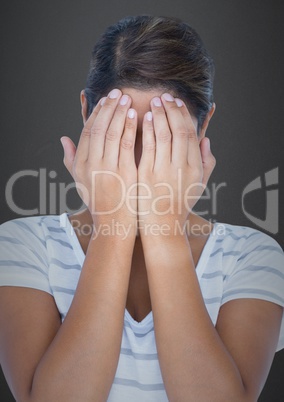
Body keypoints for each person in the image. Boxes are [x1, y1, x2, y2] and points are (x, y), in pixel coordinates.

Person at [0, 15, 283, 402]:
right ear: (87, 116)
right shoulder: (19, 246)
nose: (140, 162)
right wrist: (112, 223)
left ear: (202, 129)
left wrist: (164, 229)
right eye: (120, 134)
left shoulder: (254, 257)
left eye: (162, 137)